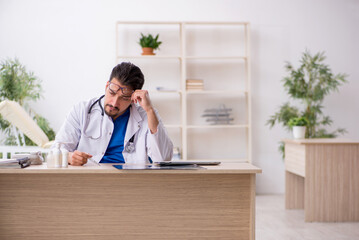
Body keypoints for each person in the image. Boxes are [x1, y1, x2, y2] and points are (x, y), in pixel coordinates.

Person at [54, 62, 173, 166]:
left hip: (129, 183)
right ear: (106, 86)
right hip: (89, 178)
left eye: (124, 98)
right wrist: (69, 157)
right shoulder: (81, 111)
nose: (114, 103)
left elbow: (163, 159)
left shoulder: (146, 115)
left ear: (133, 98)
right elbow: (56, 150)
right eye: (111, 92)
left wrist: (150, 110)